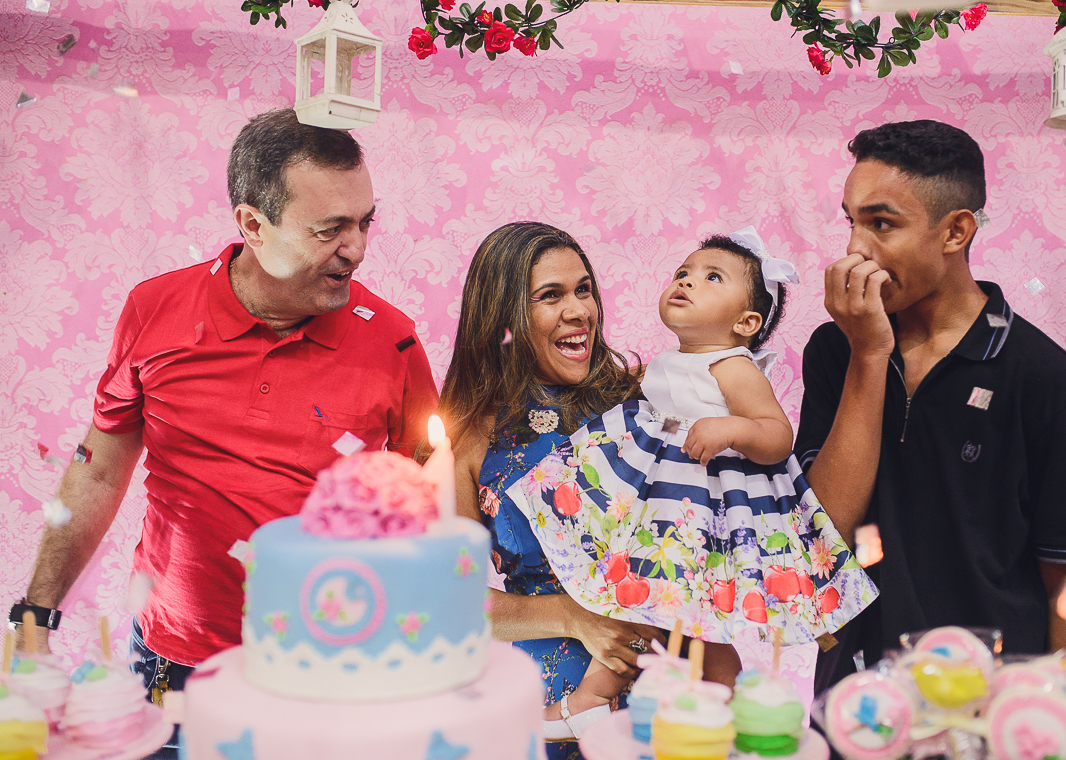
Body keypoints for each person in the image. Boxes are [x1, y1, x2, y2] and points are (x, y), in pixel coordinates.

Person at [12, 109, 439, 707]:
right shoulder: (155, 310)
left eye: (366, 222)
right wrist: (35, 617)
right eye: (330, 230)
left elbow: (429, 502)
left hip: (326, 667)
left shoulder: (392, 341)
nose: (357, 249)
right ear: (252, 225)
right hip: (170, 658)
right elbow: (99, 468)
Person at [501, 227, 879, 735]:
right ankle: (610, 697)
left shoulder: (732, 366)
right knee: (650, 606)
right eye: (683, 272)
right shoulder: (672, 362)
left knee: (694, 626)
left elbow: (776, 436)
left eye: (712, 277)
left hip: (705, 512)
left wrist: (732, 429)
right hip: (666, 505)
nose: (686, 281)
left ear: (746, 322)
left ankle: (721, 712)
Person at [794, 120, 1066, 693]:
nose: (855, 249)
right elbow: (822, 536)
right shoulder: (837, 349)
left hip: (996, 706)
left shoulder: (1044, 377)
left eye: (881, 223)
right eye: (851, 221)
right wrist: (868, 354)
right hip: (858, 704)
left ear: (956, 232)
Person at [441, 222, 664, 756]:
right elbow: (447, 598)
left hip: (661, 693)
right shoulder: (466, 440)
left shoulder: (646, 403)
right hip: (538, 711)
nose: (579, 310)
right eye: (551, 295)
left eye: (584, 289)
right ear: (503, 317)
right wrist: (572, 615)